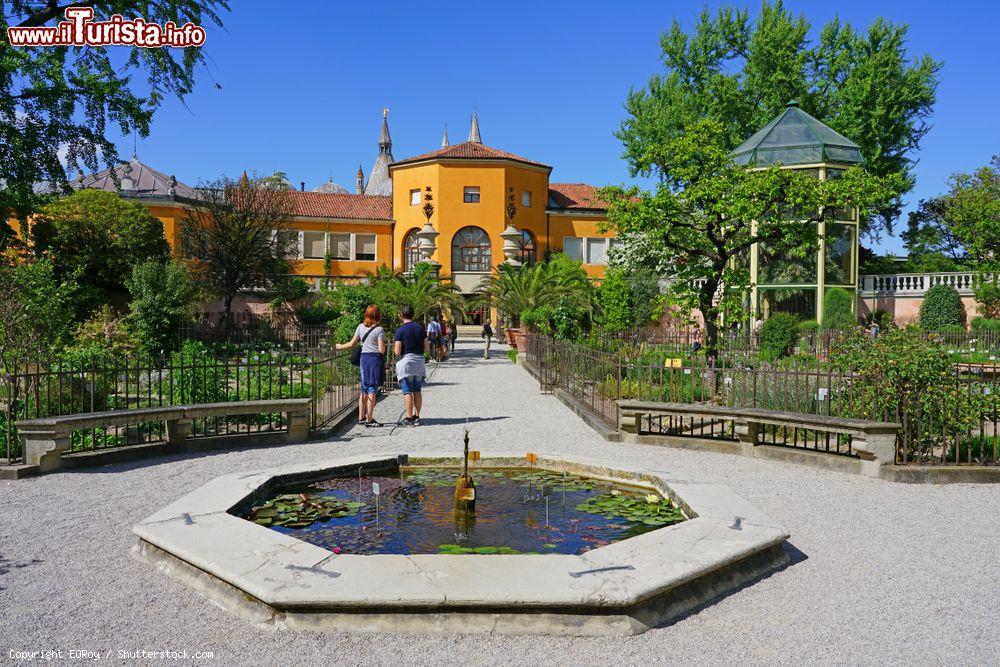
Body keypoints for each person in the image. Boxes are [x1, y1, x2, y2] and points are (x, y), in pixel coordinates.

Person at [335, 304, 386, 427]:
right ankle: (369, 419)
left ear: (366, 315)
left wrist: (339, 346)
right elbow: (381, 350)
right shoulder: (379, 330)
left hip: (364, 359)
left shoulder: (360, 327)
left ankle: (361, 417)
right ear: (377, 315)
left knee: (364, 388)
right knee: (372, 389)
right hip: (374, 360)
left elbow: (352, 343)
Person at [394, 304, 428, 426]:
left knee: (407, 391)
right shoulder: (420, 329)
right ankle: (417, 416)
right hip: (419, 361)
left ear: (402, 315)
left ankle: (409, 418)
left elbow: (397, 351)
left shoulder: (400, 330)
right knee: (417, 390)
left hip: (407, 361)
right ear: (413, 315)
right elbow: (427, 348)